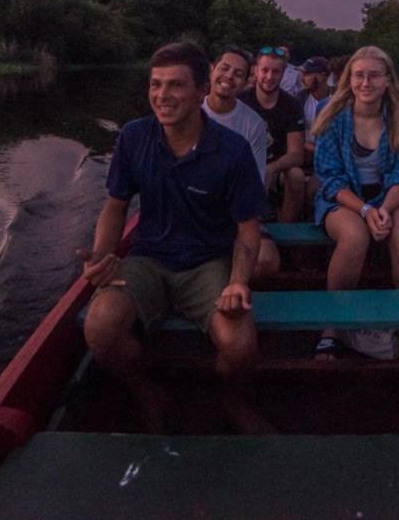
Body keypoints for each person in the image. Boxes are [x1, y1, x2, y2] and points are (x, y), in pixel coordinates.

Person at [79, 42, 267, 432]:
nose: (162, 96)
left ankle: (231, 398)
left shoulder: (232, 150)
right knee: (99, 327)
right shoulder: (133, 137)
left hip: (208, 261)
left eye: (176, 85)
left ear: (202, 91)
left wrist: (237, 281)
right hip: (148, 257)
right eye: (155, 85)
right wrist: (101, 257)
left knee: (239, 346)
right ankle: (147, 392)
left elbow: (249, 228)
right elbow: (115, 206)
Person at [311, 45, 399, 359]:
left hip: (387, 195)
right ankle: (332, 325)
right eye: (359, 75)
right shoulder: (331, 114)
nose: (366, 82)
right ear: (349, 79)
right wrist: (363, 209)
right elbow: (329, 178)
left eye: (374, 76)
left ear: (387, 81)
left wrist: (384, 209)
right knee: (354, 236)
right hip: (343, 198)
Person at [203, 46, 280, 277]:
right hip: (190, 208)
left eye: (238, 74)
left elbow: (252, 185)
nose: (228, 77)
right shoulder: (189, 112)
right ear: (211, 70)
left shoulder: (253, 124)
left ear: (247, 82)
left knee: (266, 261)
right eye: (224, 69)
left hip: (233, 211)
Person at [239, 46, 306, 223]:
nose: (269, 77)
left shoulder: (292, 106)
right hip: (245, 166)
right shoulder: (240, 101)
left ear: (283, 73)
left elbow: (296, 154)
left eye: (275, 71)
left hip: (277, 169)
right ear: (256, 70)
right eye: (265, 70)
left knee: (297, 176)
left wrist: (270, 168)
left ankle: (285, 230)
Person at [296, 56, 332, 213]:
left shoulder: (338, 99)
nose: (304, 78)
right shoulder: (299, 99)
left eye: (310, 73)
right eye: (304, 74)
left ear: (324, 75)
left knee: (313, 189)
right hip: (303, 155)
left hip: (327, 159)